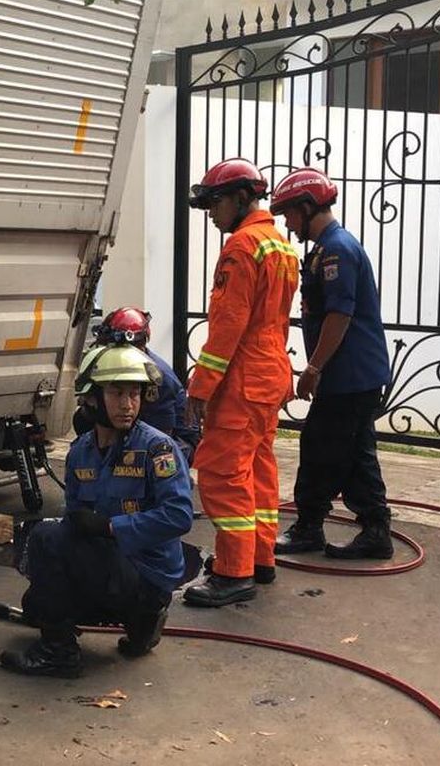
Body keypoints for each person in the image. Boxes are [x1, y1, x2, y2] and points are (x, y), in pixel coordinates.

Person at [0, 345, 193, 677]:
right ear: (91, 399)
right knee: (37, 604)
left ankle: (59, 652)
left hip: (147, 574)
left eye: (134, 394)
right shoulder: (81, 453)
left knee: (45, 537)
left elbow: (179, 516)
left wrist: (111, 528)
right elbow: (75, 527)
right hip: (109, 567)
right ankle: (140, 625)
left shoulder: (157, 449)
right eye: (117, 393)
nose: (128, 404)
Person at [182, 158, 299, 608]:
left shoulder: (242, 247)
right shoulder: (279, 244)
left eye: (215, 202)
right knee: (258, 471)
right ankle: (260, 559)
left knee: (221, 473)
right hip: (269, 376)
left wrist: (200, 388)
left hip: (242, 380)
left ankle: (234, 573)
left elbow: (228, 327)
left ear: (241, 198)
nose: (212, 212)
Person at [270, 167, 394, 559]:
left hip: (349, 375)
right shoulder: (327, 247)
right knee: (355, 451)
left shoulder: (336, 249)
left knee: (323, 447)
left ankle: (310, 527)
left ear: (308, 207)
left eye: (289, 213)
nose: (288, 223)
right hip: (355, 375)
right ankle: (375, 529)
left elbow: (339, 315)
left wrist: (313, 368)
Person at [91, 306, 200, 461]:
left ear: (139, 347)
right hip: (137, 431)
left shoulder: (158, 379)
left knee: (146, 457)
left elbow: (160, 436)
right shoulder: (106, 367)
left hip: (177, 441)